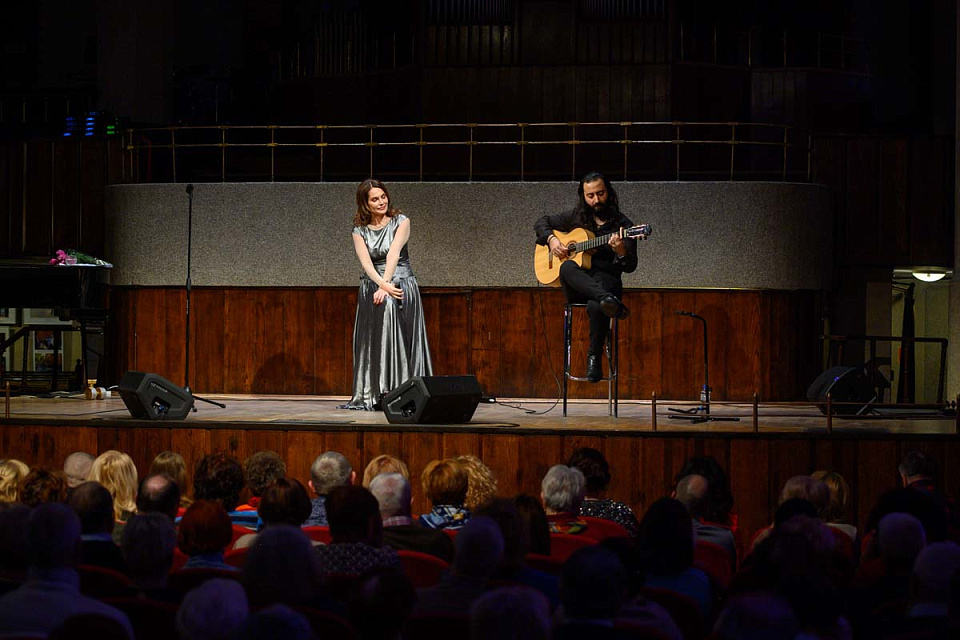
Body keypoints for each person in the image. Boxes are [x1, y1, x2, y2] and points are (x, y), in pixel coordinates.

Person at [534, 171, 638, 382]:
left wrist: (620, 251)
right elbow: (541, 222)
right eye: (590, 196)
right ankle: (608, 301)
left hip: (606, 281)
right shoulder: (576, 217)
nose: (596, 200)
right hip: (577, 285)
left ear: (609, 192)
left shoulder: (624, 226)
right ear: (583, 195)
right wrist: (553, 240)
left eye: (600, 194)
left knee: (596, 304)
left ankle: (594, 357)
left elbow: (630, 266)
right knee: (566, 269)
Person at [341, 178, 433, 410]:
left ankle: (402, 391)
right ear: (365, 204)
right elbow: (367, 264)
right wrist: (380, 285)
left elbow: (393, 255)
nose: (381, 202)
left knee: (393, 312)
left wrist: (386, 286)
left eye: (383, 197)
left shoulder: (401, 222)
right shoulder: (359, 231)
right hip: (373, 285)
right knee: (377, 334)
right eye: (375, 199)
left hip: (400, 283)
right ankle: (376, 392)